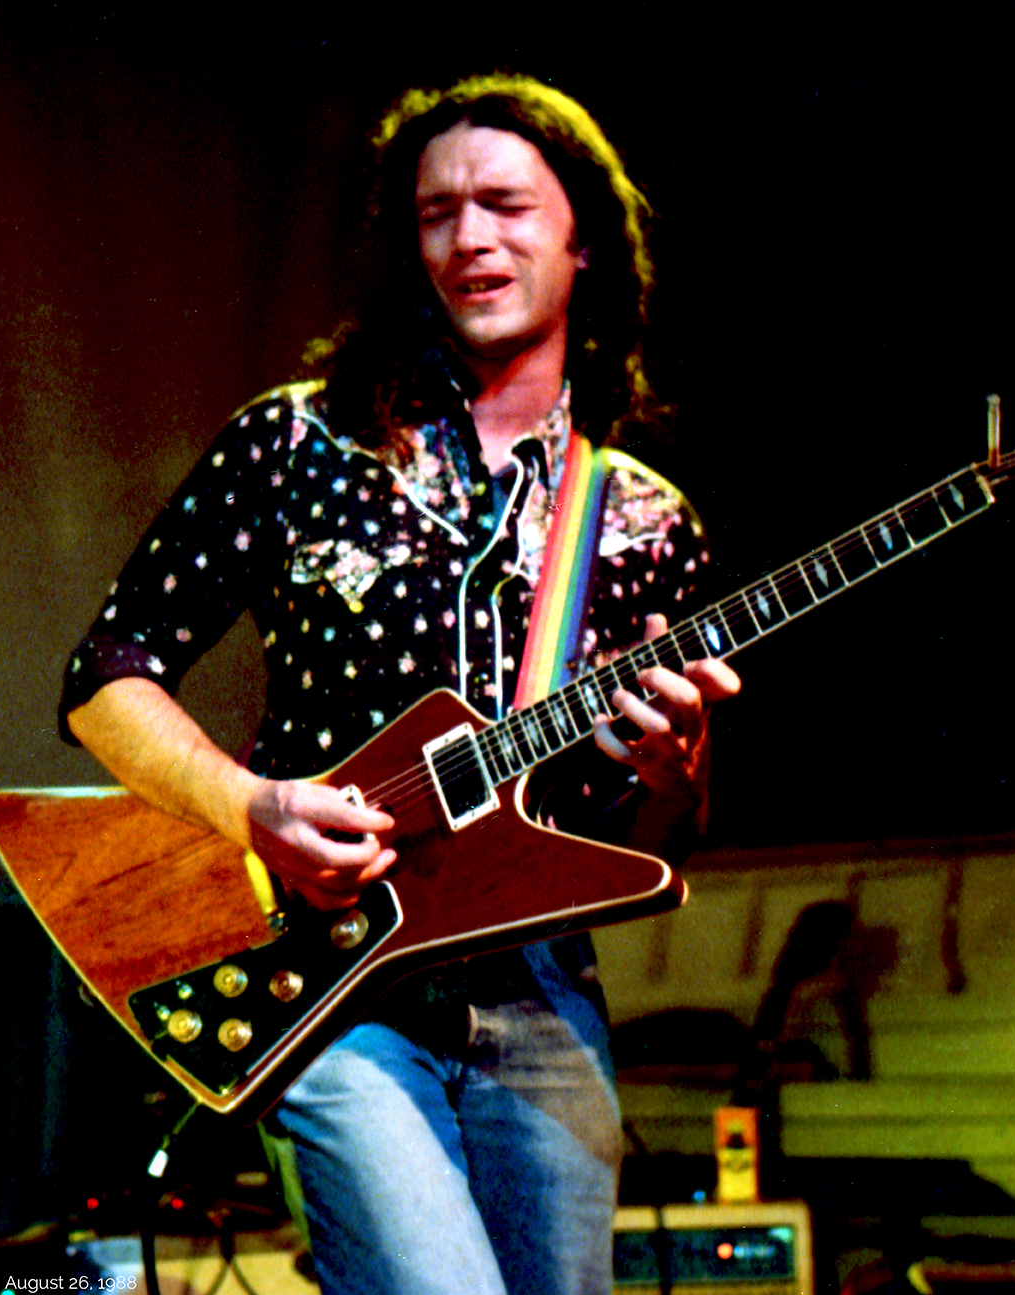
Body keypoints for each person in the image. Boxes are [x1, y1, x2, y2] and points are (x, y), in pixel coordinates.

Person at [58, 72, 740, 1295]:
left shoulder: (643, 519)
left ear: (584, 239)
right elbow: (106, 672)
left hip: (541, 994)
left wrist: (671, 779)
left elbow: (654, 843)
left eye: (505, 205)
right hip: (332, 981)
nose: (470, 237)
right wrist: (250, 805)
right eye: (437, 212)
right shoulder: (296, 443)